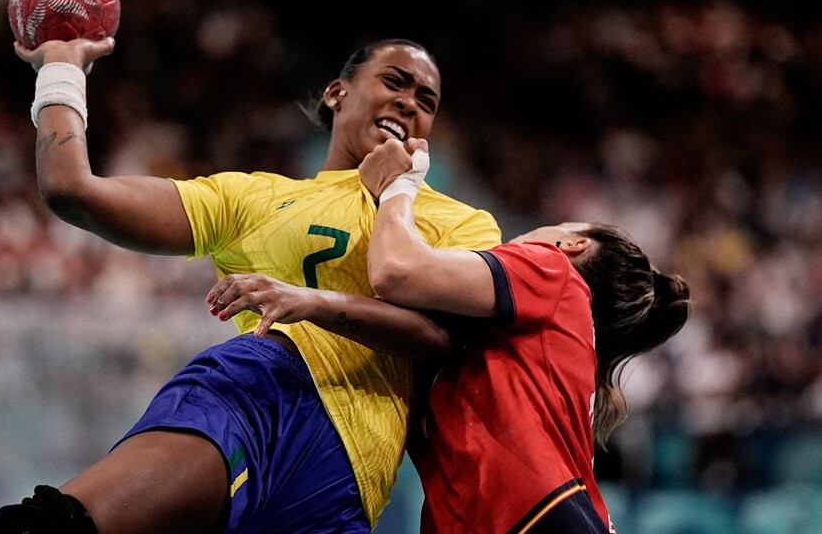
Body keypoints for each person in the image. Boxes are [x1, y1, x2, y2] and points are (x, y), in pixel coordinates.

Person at [0, 37, 501, 534]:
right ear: (337, 92)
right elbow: (72, 188)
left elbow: (448, 340)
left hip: (352, 479)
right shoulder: (252, 199)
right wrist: (61, 66)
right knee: (67, 526)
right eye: (395, 82)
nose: (409, 102)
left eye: (427, 100)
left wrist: (322, 295)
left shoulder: (463, 223)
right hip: (260, 398)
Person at [207, 138, 691, 533]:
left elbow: (395, 271)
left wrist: (398, 188)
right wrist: (312, 302)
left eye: (554, 225)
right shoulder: (515, 340)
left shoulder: (555, 274)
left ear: (570, 242)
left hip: (538, 517)